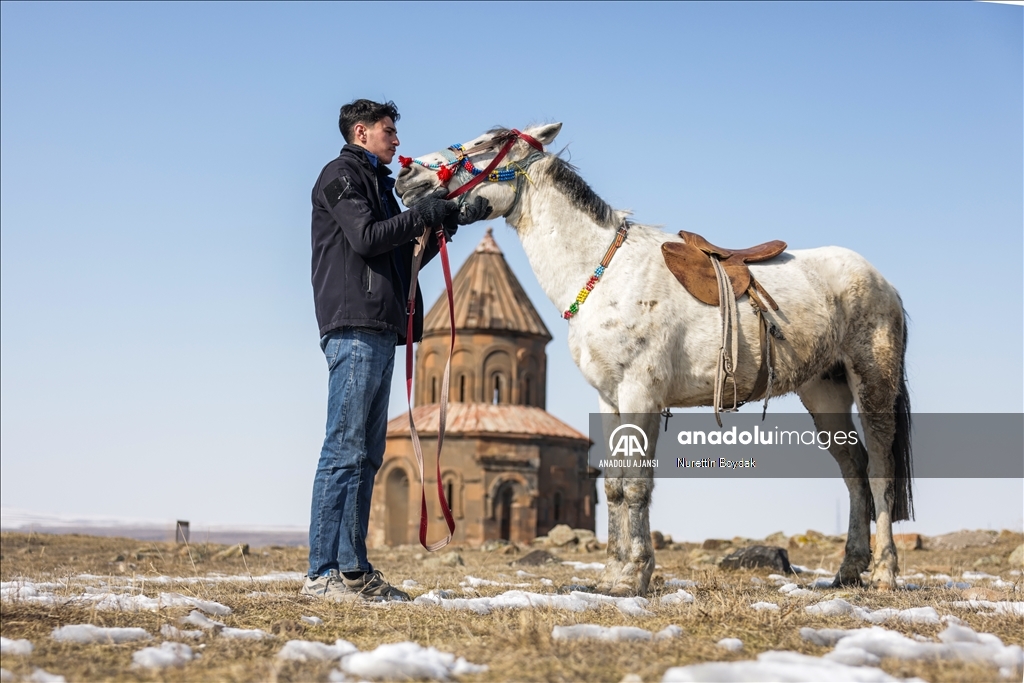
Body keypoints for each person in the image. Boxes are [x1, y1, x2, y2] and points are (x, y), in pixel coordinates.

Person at [303, 99, 470, 601]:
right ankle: (321, 574)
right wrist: (419, 214)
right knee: (343, 449)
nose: (396, 140)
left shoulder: (378, 185)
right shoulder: (340, 176)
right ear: (361, 132)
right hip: (353, 325)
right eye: (388, 131)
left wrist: (438, 230)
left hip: (380, 327)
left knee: (367, 455)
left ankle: (353, 571)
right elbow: (365, 237)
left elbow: (398, 259)